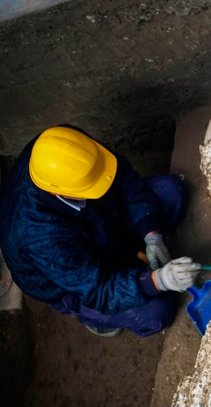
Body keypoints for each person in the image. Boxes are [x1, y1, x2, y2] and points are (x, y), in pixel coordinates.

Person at [0, 125, 200, 337]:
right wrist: (159, 281)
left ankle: (131, 253)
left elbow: (124, 179)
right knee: (156, 314)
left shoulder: (65, 147)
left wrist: (151, 233)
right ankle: (93, 316)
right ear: (58, 191)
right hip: (74, 277)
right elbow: (98, 289)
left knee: (171, 192)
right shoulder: (40, 237)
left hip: (101, 222)